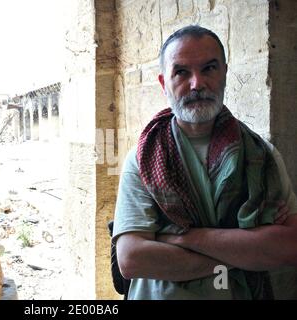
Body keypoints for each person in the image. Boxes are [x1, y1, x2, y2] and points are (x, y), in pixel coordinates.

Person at [112, 25, 297, 300]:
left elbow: (289, 246)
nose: (197, 83)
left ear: (224, 73)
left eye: (209, 68)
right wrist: (247, 251)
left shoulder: (261, 156)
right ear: (165, 83)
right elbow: (132, 260)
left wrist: (180, 238)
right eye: (182, 72)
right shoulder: (143, 158)